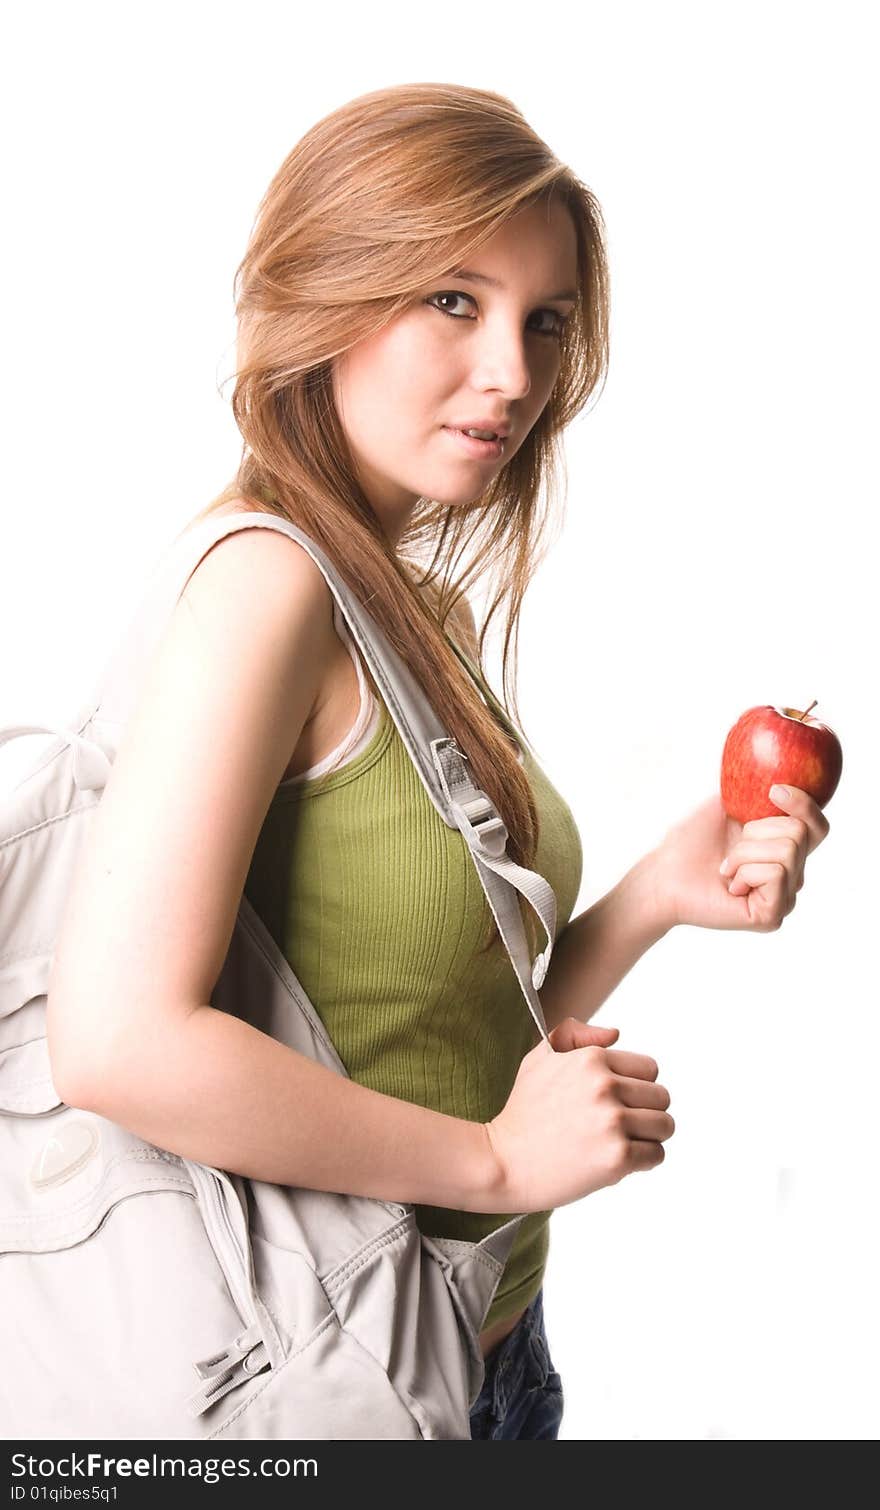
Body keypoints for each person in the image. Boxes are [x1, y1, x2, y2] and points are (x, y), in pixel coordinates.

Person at [46, 82, 830, 1442]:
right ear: (328, 298)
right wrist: (493, 1158)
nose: (516, 373)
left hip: (485, 1341)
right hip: (330, 1378)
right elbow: (120, 1039)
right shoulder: (265, 587)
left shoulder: (414, 609)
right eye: (454, 302)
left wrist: (651, 892)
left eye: (544, 321)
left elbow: (439, 1020)